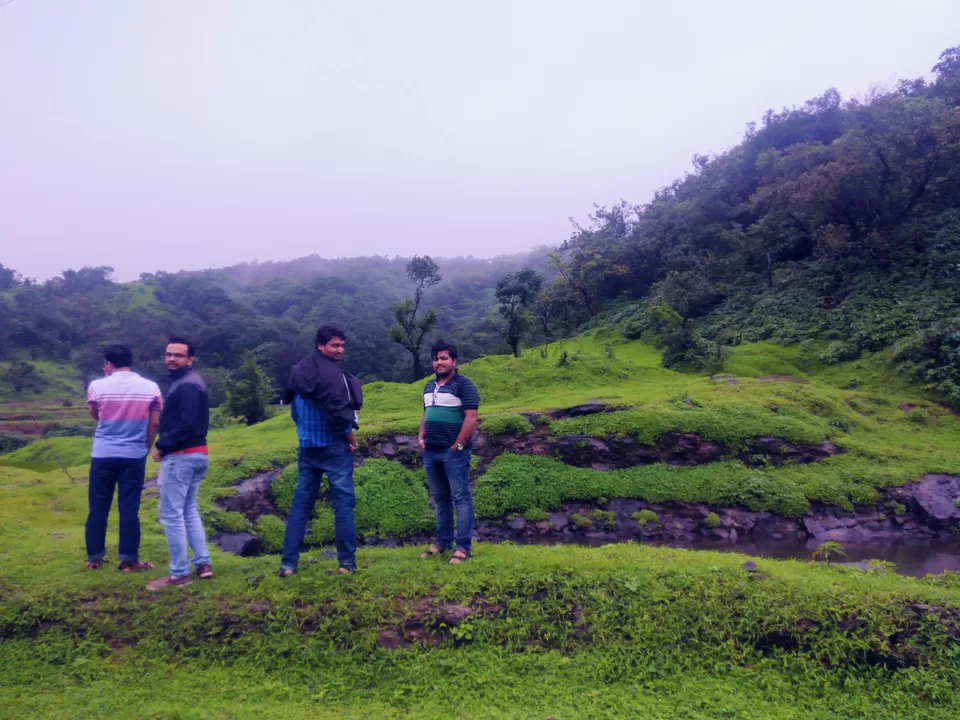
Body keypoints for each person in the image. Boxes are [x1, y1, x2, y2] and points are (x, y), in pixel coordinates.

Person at [278, 325, 363, 577]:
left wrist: (306, 434)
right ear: (320, 345)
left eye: (342, 345)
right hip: (334, 448)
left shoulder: (298, 372)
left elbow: (294, 412)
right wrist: (352, 440)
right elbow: (341, 418)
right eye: (335, 345)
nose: (340, 350)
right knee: (343, 504)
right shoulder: (332, 376)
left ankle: (288, 565)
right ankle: (346, 564)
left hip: (307, 448)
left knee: (301, 505)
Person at [84, 344, 162, 572]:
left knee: (98, 507)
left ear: (108, 364)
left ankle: (94, 558)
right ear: (130, 361)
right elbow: (154, 422)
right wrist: (145, 447)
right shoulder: (150, 387)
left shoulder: (97, 386)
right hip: (134, 455)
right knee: (129, 507)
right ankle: (129, 560)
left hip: (102, 454)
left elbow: (96, 416)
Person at [146, 337, 213, 590]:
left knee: (171, 514)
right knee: (188, 509)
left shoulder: (186, 385)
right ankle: (203, 563)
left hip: (181, 455)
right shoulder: (191, 382)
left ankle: (179, 573)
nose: (172, 358)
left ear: (190, 359)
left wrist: (162, 445)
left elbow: (186, 423)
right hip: (197, 453)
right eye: (168, 354)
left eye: (178, 355)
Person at [418, 341, 480, 565]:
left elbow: (471, 418)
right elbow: (426, 413)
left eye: (444, 358)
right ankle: (442, 542)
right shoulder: (428, 386)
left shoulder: (464, 385)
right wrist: (421, 437)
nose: (439, 362)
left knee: (461, 497)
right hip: (431, 452)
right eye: (436, 359)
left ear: (454, 361)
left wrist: (458, 445)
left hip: (453, 452)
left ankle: (462, 547)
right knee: (440, 498)